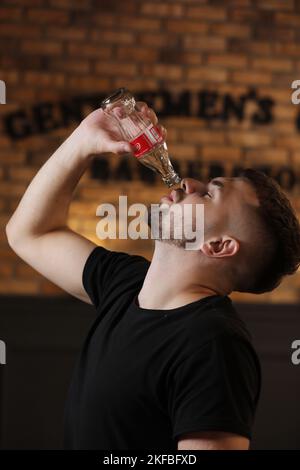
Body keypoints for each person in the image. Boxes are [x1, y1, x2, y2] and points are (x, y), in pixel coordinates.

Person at [6, 102, 300, 450]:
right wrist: (82, 141)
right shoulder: (126, 281)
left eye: (208, 194)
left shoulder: (214, 344)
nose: (189, 183)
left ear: (219, 246)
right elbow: (30, 233)